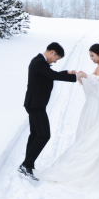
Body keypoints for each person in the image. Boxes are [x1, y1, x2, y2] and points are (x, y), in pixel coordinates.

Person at [37, 43, 99, 187]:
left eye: (92, 56)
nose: (91, 58)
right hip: (92, 105)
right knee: (91, 132)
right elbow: (91, 85)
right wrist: (81, 77)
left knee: (97, 133)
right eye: (90, 56)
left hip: (98, 105)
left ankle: (97, 162)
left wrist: (85, 76)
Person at [18, 42, 77, 181]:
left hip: (35, 104)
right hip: (35, 105)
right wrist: (75, 77)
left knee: (35, 134)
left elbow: (50, 75)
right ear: (52, 52)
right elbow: (53, 75)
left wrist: (67, 72)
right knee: (44, 135)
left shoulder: (40, 62)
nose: (55, 61)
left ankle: (28, 164)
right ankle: (26, 165)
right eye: (57, 58)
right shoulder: (38, 62)